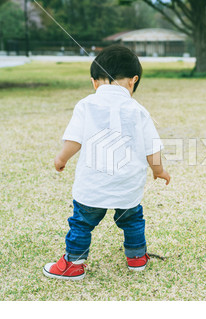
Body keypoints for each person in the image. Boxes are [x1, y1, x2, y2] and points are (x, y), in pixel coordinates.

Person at [43, 45, 170, 280]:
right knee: (132, 220)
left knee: (81, 223)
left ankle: (73, 265)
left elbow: (74, 140)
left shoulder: (86, 105)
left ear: (94, 82)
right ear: (133, 81)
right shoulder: (138, 110)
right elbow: (152, 146)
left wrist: (61, 158)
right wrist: (159, 170)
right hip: (128, 186)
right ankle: (137, 258)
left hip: (93, 185)